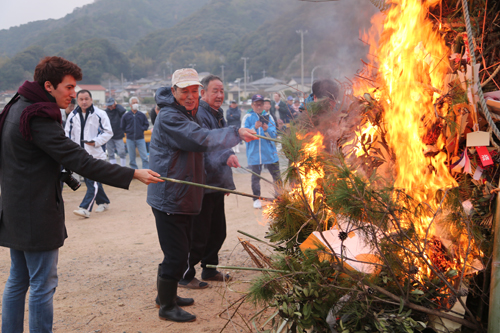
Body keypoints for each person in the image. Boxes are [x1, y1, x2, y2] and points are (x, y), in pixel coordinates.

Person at [0, 56, 161, 333]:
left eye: (76, 88)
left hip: (15, 206)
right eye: (69, 87)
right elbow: (80, 160)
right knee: (42, 283)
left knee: (19, 279)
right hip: (35, 212)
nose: (73, 94)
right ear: (48, 86)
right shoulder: (37, 116)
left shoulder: (17, 105)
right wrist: (132, 173)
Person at [147, 68, 257, 323]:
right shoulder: (170, 117)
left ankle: (166, 297)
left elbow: (204, 144)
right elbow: (199, 138)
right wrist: (236, 133)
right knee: (176, 253)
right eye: (184, 91)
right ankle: (166, 307)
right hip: (170, 196)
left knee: (179, 248)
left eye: (194, 91)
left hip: (183, 193)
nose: (190, 96)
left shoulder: (187, 113)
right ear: (173, 92)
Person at [179, 75, 238, 289]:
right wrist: (225, 155)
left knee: (217, 229)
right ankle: (184, 274)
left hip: (216, 182)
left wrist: (225, 178)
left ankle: (210, 268)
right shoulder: (200, 114)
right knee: (199, 232)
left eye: (222, 91)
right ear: (203, 93)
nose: (220, 95)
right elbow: (207, 143)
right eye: (215, 91)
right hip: (203, 183)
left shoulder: (217, 113)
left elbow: (223, 140)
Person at [65, 90, 114, 218]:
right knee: (92, 181)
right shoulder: (72, 116)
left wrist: (96, 141)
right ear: (78, 100)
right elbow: (67, 135)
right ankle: (103, 201)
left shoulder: (100, 114)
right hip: (79, 155)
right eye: (81, 99)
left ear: (91, 99)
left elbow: (108, 132)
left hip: (96, 154)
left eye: (86, 98)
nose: (84, 101)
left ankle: (85, 208)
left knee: (92, 182)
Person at [242, 94, 281, 209]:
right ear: (252, 105)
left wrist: (266, 129)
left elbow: (274, 135)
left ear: (264, 105)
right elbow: (244, 135)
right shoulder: (247, 117)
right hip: (254, 154)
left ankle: (280, 197)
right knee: (255, 177)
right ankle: (256, 198)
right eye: (256, 104)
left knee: (277, 176)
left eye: (260, 104)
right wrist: (254, 128)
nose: (259, 107)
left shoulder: (269, 117)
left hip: (270, 153)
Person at [121, 96, 149, 169]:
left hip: (140, 138)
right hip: (130, 139)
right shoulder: (126, 116)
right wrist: (128, 131)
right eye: (134, 103)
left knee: (144, 157)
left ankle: (145, 170)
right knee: (132, 158)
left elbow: (146, 124)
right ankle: (134, 172)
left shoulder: (142, 115)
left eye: (136, 102)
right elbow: (122, 126)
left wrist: (141, 129)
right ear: (130, 105)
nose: (135, 104)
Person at [104, 97, 127, 166]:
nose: (110, 107)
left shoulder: (118, 110)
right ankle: (113, 168)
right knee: (110, 153)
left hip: (118, 134)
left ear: (114, 104)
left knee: (121, 152)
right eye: (109, 105)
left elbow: (123, 111)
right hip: (109, 136)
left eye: (111, 105)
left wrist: (117, 105)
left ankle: (123, 167)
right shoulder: (105, 112)